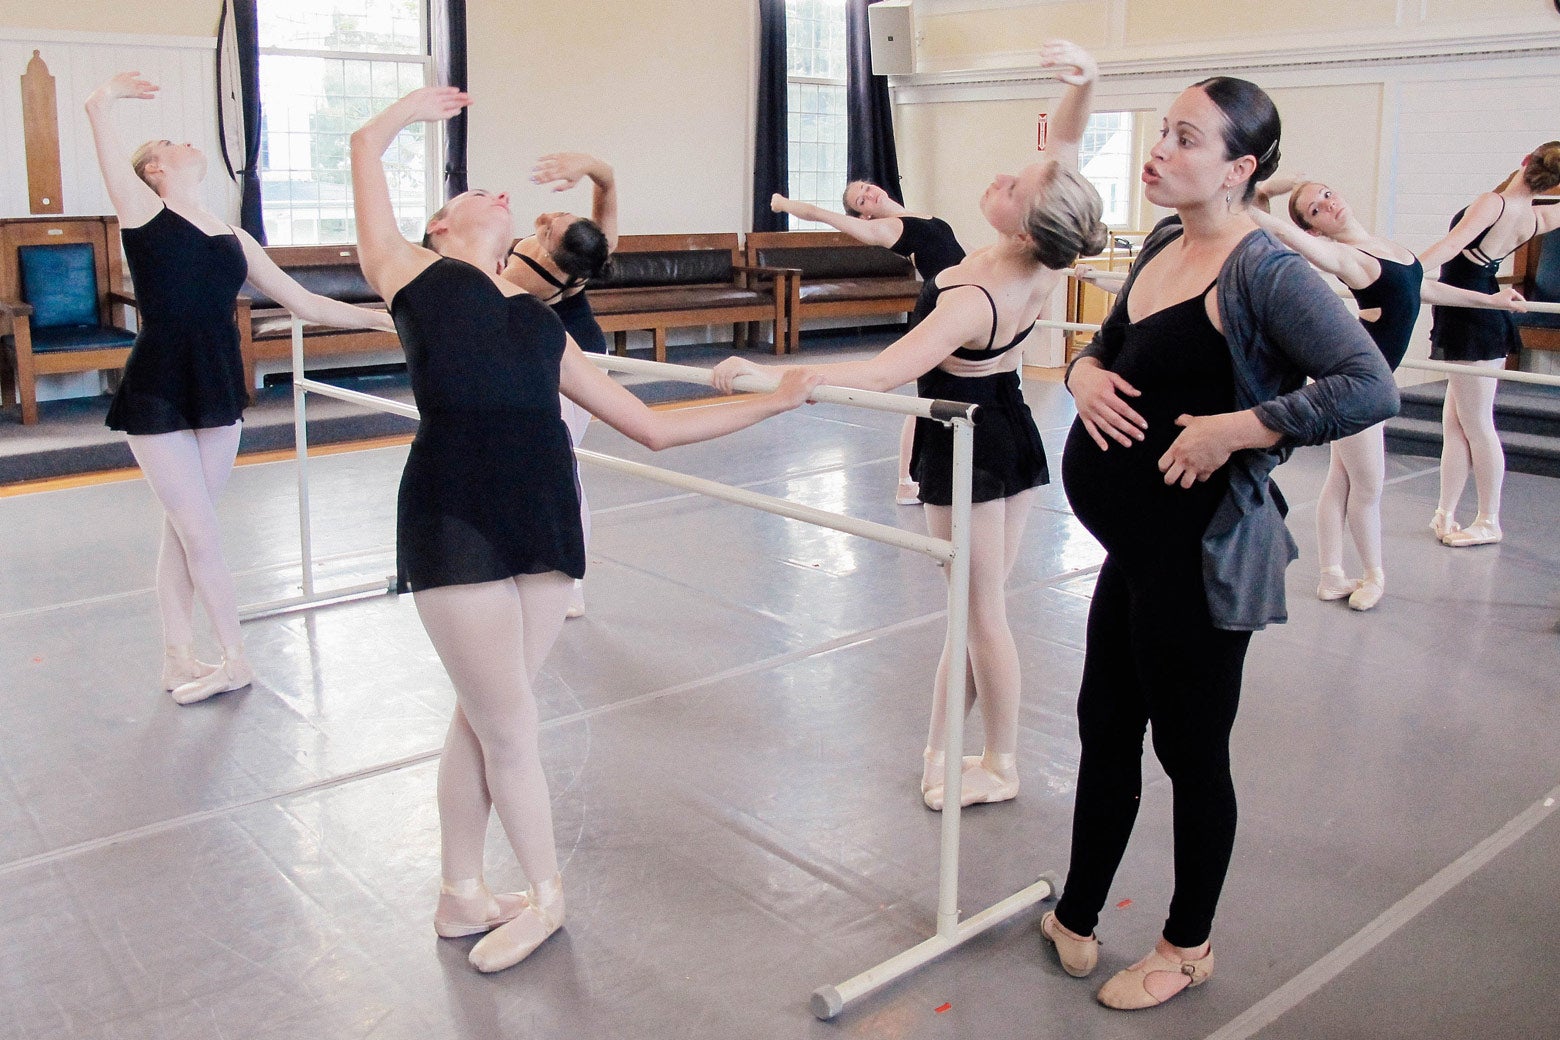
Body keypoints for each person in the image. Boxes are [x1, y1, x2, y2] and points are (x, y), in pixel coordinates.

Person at [351, 86, 819, 974]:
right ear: (441, 226)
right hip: (456, 517)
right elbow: (362, 148)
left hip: (544, 521)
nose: (498, 196)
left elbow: (655, 425)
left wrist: (778, 400)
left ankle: (461, 893)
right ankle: (546, 897)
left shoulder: (541, 322)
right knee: (512, 727)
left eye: (506, 196)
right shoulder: (411, 275)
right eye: (475, 193)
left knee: (484, 719)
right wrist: (412, 108)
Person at [1047, 77, 1398, 1009]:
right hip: (1134, 551)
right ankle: (1075, 913)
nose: (1159, 150)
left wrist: (1238, 428)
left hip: (1198, 560)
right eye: (1162, 132)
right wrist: (1080, 373)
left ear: (1240, 169)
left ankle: (1187, 944)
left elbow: (1368, 385)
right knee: (1105, 734)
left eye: (1186, 139)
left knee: (1192, 754)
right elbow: (1111, 342)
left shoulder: (1265, 270)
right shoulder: (1165, 241)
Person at [715, 40, 1106, 813]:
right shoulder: (1039, 260)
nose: (1001, 176)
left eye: (1013, 186)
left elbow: (886, 372)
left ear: (1028, 227)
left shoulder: (972, 292)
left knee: (981, 613)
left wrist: (769, 378)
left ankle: (1000, 760)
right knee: (971, 610)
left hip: (968, 440)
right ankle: (940, 745)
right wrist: (1086, 84)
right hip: (1007, 425)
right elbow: (1061, 148)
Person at [84, 72, 395, 705]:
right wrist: (106, 101)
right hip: (160, 387)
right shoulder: (145, 214)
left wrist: (379, 315)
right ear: (155, 170)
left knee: (183, 532)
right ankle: (234, 657)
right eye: (169, 142)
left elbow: (304, 301)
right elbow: (99, 124)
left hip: (218, 381)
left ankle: (177, 659)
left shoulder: (236, 238)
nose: (185, 142)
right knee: (199, 533)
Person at [1250, 175, 1526, 609]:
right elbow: (1290, 237)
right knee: (1368, 486)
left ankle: (1331, 575)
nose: (1328, 203)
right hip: (1351, 386)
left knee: (1341, 480)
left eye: (1326, 193)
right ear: (1315, 229)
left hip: (1361, 381)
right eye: (1315, 210)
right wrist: (1240, 200)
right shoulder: (1344, 256)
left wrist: (1491, 301)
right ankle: (1373, 576)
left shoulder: (1386, 248)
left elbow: (1422, 287)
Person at [771, 184, 967, 506]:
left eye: (866, 188)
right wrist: (783, 204)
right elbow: (820, 215)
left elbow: (960, 251)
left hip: (960, 305)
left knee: (941, 396)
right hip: (939, 310)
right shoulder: (887, 229)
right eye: (861, 200)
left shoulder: (923, 216)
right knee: (928, 399)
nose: (869, 193)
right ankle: (907, 481)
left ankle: (926, 477)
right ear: (865, 213)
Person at [1417, 142, 1560, 547]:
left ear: (1525, 160)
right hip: (1471, 308)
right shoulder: (1536, 217)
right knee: (1456, 423)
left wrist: (1400, 272)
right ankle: (1445, 511)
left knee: (1477, 424)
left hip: (1473, 314)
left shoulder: (1493, 202)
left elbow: (1449, 247)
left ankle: (1489, 520)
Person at [500, 152, 618, 618]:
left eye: (554, 221)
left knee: (561, 470)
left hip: (571, 363)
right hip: (555, 355)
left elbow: (486, 291)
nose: (547, 215)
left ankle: (568, 581)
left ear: (550, 243)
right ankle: (532, 566)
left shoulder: (533, 270)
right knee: (542, 466)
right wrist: (587, 166)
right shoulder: (584, 250)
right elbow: (608, 185)